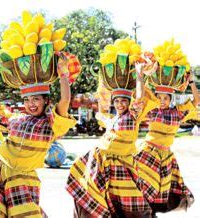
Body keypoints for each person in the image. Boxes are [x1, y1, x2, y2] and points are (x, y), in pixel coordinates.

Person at [0, 57, 78, 217]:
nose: (31, 104)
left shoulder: (51, 123)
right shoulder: (17, 119)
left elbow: (65, 100)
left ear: (46, 100)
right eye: (27, 100)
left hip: (24, 176)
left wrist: (63, 73)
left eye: (36, 99)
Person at [66, 60, 158, 217]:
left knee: (129, 198)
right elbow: (103, 118)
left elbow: (140, 96)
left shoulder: (132, 114)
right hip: (103, 161)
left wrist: (139, 74)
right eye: (116, 101)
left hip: (123, 163)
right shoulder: (114, 119)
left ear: (129, 103)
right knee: (94, 192)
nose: (120, 104)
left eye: (123, 101)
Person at [135, 71, 199, 215]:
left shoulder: (178, 112)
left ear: (171, 99)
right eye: (159, 97)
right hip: (148, 152)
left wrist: (191, 82)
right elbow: (141, 96)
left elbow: (197, 100)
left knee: (159, 190)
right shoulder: (152, 111)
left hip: (165, 156)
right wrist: (142, 75)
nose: (162, 100)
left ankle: (150, 213)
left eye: (165, 98)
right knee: (142, 184)